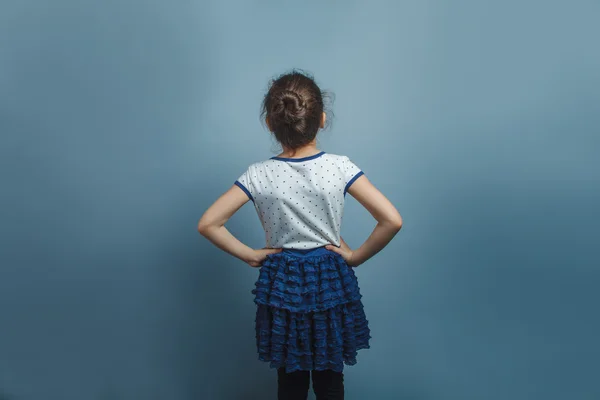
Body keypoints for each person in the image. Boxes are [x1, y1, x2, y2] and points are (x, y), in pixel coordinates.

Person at [197, 70, 402, 400]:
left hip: (283, 280)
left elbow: (208, 223)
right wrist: (354, 256)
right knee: (330, 380)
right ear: (321, 118)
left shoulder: (259, 174)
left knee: (290, 381)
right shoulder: (340, 167)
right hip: (329, 278)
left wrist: (250, 254)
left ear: (269, 123)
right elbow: (391, 219)